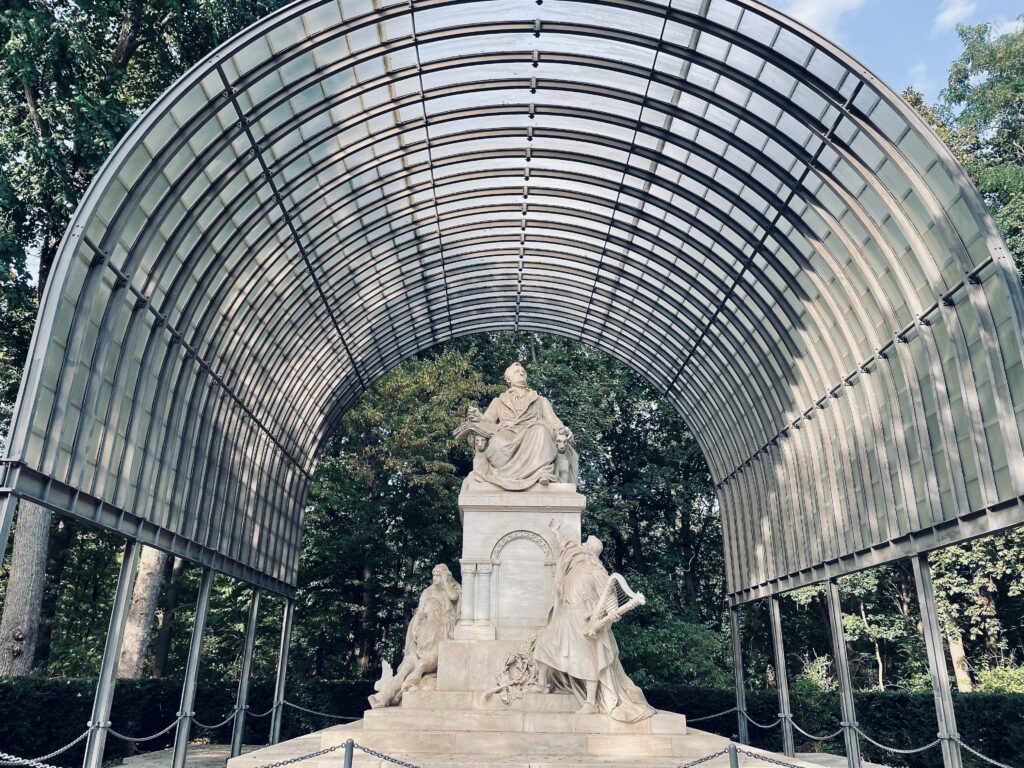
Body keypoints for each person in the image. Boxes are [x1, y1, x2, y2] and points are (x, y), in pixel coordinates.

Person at [533, 520, 654, 722]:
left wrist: (612, 614)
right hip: (566, 616)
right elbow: (566, 546)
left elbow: (611, 600)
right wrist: (556, 532)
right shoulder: (575, 563)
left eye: (586, 545)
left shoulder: (598, 573)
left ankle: (590, 702)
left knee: (587, 661)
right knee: (544, 644)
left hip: (583, 620)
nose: (581, 547)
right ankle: (542, 684)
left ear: (591, 552)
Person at [456, 362, 578, 490]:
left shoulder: (540, 400)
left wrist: (563, 430)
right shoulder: (498, 401)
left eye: (523, 372)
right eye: (517, 372)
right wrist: (478, 417)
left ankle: (542, 473)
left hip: (532, 429)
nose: (521, 374)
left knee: (541, 430)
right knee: (498, 441)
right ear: (508, 379)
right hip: (507, 432)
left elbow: (553, 421)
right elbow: (488, 422)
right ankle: (504, 475)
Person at [369, 564, 461, 708]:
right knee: (405, 669)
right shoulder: (427, 592)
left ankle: (398, 692)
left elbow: (454, 596)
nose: (435, 578)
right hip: (424, 641)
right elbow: (418, 614)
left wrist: (445, 581)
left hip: (438, 637)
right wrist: (416, 627)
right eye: (434, 576)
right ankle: (383, 698)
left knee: (418, 667)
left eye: (439, 575)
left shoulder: (448, 595)